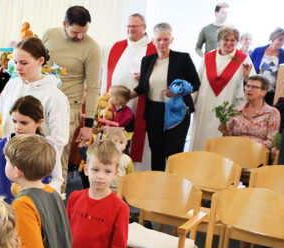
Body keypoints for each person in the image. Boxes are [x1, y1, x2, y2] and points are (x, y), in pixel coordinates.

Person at [0, 37, 70, 191]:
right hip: (8, 160)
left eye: (24, 63)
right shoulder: (12, 84)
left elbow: (59, 139)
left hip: (35, 167)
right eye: (15, 62)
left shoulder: (54, 95)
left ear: (40, 61)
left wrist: (43, 165)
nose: (18, 68)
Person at [42, 5, 101, 190]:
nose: (80, 36)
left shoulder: (92, 48)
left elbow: (93, 87)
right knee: (38, 156)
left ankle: (57, 203)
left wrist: (88, 125)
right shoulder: (49, 35)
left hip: (70, 108)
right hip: (44, 102)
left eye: (84, 32)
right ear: (64, 24)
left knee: (59, 158)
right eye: (75, 32)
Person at [129, 23, 200, 171]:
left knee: (174, 154)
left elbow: (196, 83)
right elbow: (142, 87)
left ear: (172, 40)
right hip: (154, 111)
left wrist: (177, 92)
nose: (162, 43)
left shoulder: (183, 58)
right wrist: (124, 96)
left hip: (177, 110)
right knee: (157, 152)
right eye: (159, 39)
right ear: (153, 41)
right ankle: (157, 187)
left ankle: (174, 187)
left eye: (166, 39)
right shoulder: (147, 60)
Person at [190, 26, 253, 151]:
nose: (229, 43)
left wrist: (246, 76)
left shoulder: (243, 59)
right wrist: (190, 104)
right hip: (204, 106)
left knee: (219, 143)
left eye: (233, 40)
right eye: (226, 39)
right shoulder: (208, 57)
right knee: (201, 139)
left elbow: (251, 84)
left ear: (237, 42)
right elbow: (197, 81)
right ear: (219, 40)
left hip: (227, 107)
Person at [106, 13, 155, 162]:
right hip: (117, 102)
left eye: (134, 26)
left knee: (134, 142)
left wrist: (147, 75)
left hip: (138, 102)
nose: (130, 29)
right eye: (128, 26)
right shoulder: (117, 46)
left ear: (144, 28)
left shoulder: (153, 48)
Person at [0, 95, 46, 203]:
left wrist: (46, 198)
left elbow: (57, 178)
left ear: (39, 122)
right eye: (14, 121)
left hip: (37, 207)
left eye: (23, 122)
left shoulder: (48, 147)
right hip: (5, 210)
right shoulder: (0, 146)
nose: (17, 127)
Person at [219, 75, 280, 151]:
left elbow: (272, 141)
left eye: (254, 87)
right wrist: (224, 130)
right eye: (247, 86)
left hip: (257, 153)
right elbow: (228, 137)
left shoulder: (272, 113)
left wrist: (248, 145)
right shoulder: (236, 111)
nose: (249, 89)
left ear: (264, 92)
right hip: (234, 150)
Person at [249, 28, 284, 103]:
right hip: (254, 88)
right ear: (273, 38)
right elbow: (247, 66)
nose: (282, 42)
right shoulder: (258, 51)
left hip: (271, 91)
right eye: (280, 39)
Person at [102, 126, 134, 193]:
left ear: (125, 144)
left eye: (121, 142)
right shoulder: (105, 156)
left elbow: (130, 175)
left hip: (120, 189)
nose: (118, 145)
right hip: (105, 187)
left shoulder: (127, 159)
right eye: (114, 142)